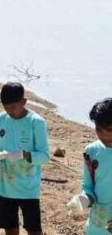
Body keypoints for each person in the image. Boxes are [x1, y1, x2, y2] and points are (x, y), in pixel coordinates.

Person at [0, 82, 50, 235]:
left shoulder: (36, 122)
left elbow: (45, 156)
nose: (9, 112)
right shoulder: (0, 120)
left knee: (33, 229)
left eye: (13, 107)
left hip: (28, 187)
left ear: (23, 102)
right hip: (5, 185)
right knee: (10, 227)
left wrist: (25, 155)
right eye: (6, 108)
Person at [66, 97, 112, 234]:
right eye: (98, 129)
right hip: (97, 226)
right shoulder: (91, 152)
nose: (103, 135)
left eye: (109, 130)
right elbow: (89, 187)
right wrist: (84, 199)